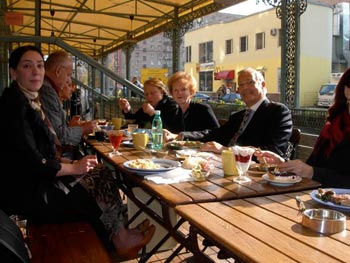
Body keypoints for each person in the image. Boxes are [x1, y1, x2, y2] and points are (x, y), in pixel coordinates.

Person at [0, 45, 155, 259]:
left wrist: (67, 164)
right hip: (31, 197)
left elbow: (38, 149)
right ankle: (118, 240)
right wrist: (72, 167)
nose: (36, 71)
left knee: (99, 174)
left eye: (39, 65)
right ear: (13, 72)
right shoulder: (15, 106)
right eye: (27, 66)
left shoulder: (24, 98)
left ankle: (118, 236)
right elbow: (32, 162)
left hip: (35, 184)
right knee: (94, 183)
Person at [256, 67, 350, 188]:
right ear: (347, 90)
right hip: (319, 197)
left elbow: (312, 172)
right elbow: (312, 167)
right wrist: (284, 164)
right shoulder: (332, 126)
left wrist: (310, 172)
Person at [199, 67, 293, 159]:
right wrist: (185, 136)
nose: (245, 88)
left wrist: (227, 150)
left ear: (263, 85)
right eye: (241, 85)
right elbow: (215, 135)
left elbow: (274, 151)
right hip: (222, 164)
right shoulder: (237, 116)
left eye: (250, 82)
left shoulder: (277, 112)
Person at [39, 50, 96, 147]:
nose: (68, 80)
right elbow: (59, 136)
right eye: (68, 75)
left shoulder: (48, 88)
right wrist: (83, 129)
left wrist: (71, 127)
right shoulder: (47, 91)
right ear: (58, 71)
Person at [162, 71, 220, 141]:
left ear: (191, 92)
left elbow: (217, 134)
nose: (179, 93)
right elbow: (173, 133)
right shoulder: (176, 112)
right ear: (172, 94)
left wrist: (182, 136)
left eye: (183, 89)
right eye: (175, 90)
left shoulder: (203, 109)